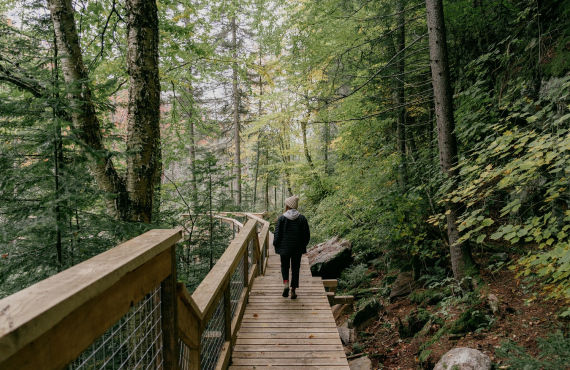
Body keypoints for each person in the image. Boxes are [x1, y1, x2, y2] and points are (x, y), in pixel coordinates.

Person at [273, 195, 310, 299]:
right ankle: (293, 290)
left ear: (288, 205)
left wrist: (276, 244)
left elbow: (277, 234)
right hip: (297, 249)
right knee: (295, 268)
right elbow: (307, 235)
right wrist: (303, 245)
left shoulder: (282, 218)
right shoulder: (302, 218)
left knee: (285, 267)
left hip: (284, 249)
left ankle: (285, 285)